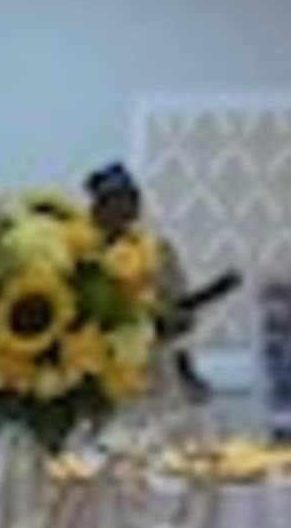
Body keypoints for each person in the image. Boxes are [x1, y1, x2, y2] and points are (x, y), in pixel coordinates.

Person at [88, 163, 240, 392]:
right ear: (97, 208)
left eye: (131, 200)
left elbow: (181, 314)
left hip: (153, 377)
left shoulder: (159, 252)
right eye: (114, 201)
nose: (124, 209)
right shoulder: (81, 254)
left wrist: (187, 371)